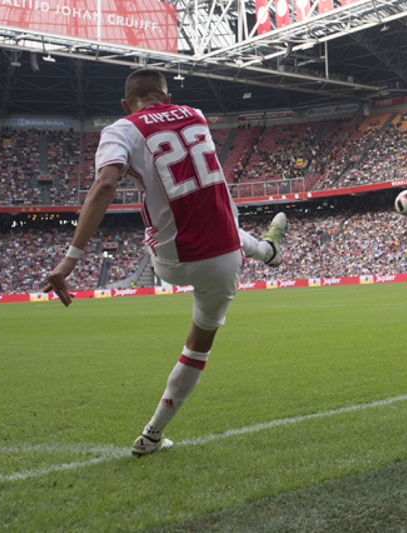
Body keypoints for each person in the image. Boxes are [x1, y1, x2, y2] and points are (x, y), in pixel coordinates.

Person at [43, 69, 288, 456]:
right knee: (198, 347)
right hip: (224, 257)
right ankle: (152, 434)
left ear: (126, 104)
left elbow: (105, 184)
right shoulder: (196, 114)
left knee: (170, 211)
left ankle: (267, 250)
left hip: (170, 258)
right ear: (168, 98)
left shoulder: (121, 128)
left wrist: (70, 259)